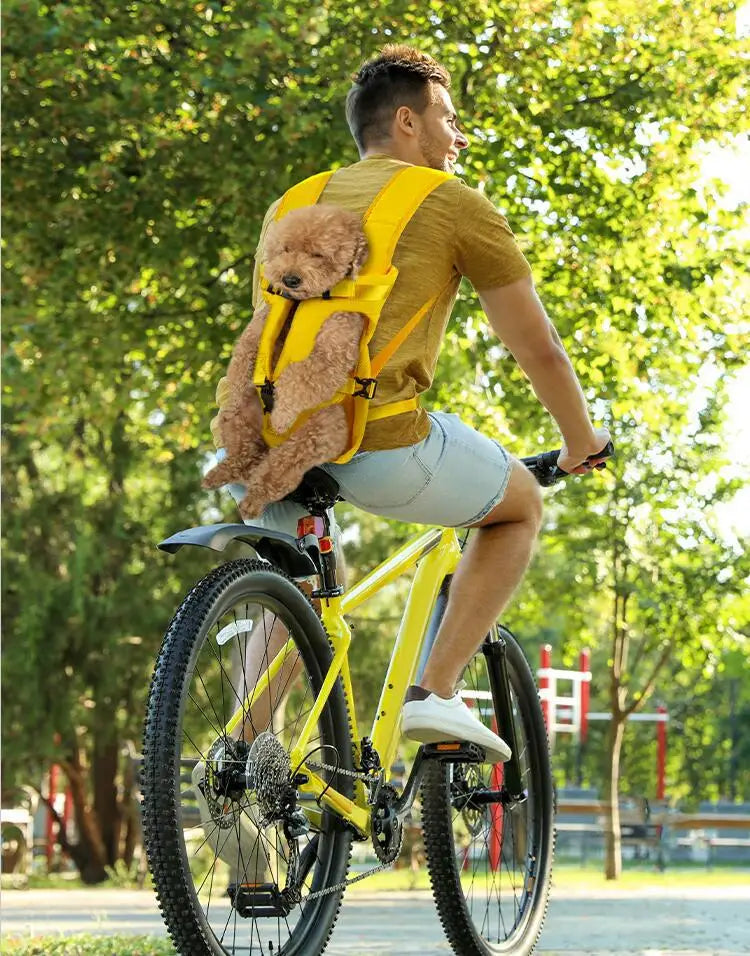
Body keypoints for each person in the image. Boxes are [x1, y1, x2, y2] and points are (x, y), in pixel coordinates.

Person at [210, 43, 610, 765]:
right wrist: (579, 440)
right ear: (405, 122)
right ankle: (437, 691)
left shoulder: (291, 201)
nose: (459, 138)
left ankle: (237, 762)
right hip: (379, 442)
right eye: (449, 120)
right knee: (518, 506)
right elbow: (539, 346)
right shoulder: (454, 203)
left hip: (268, 444)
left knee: (298, 588)